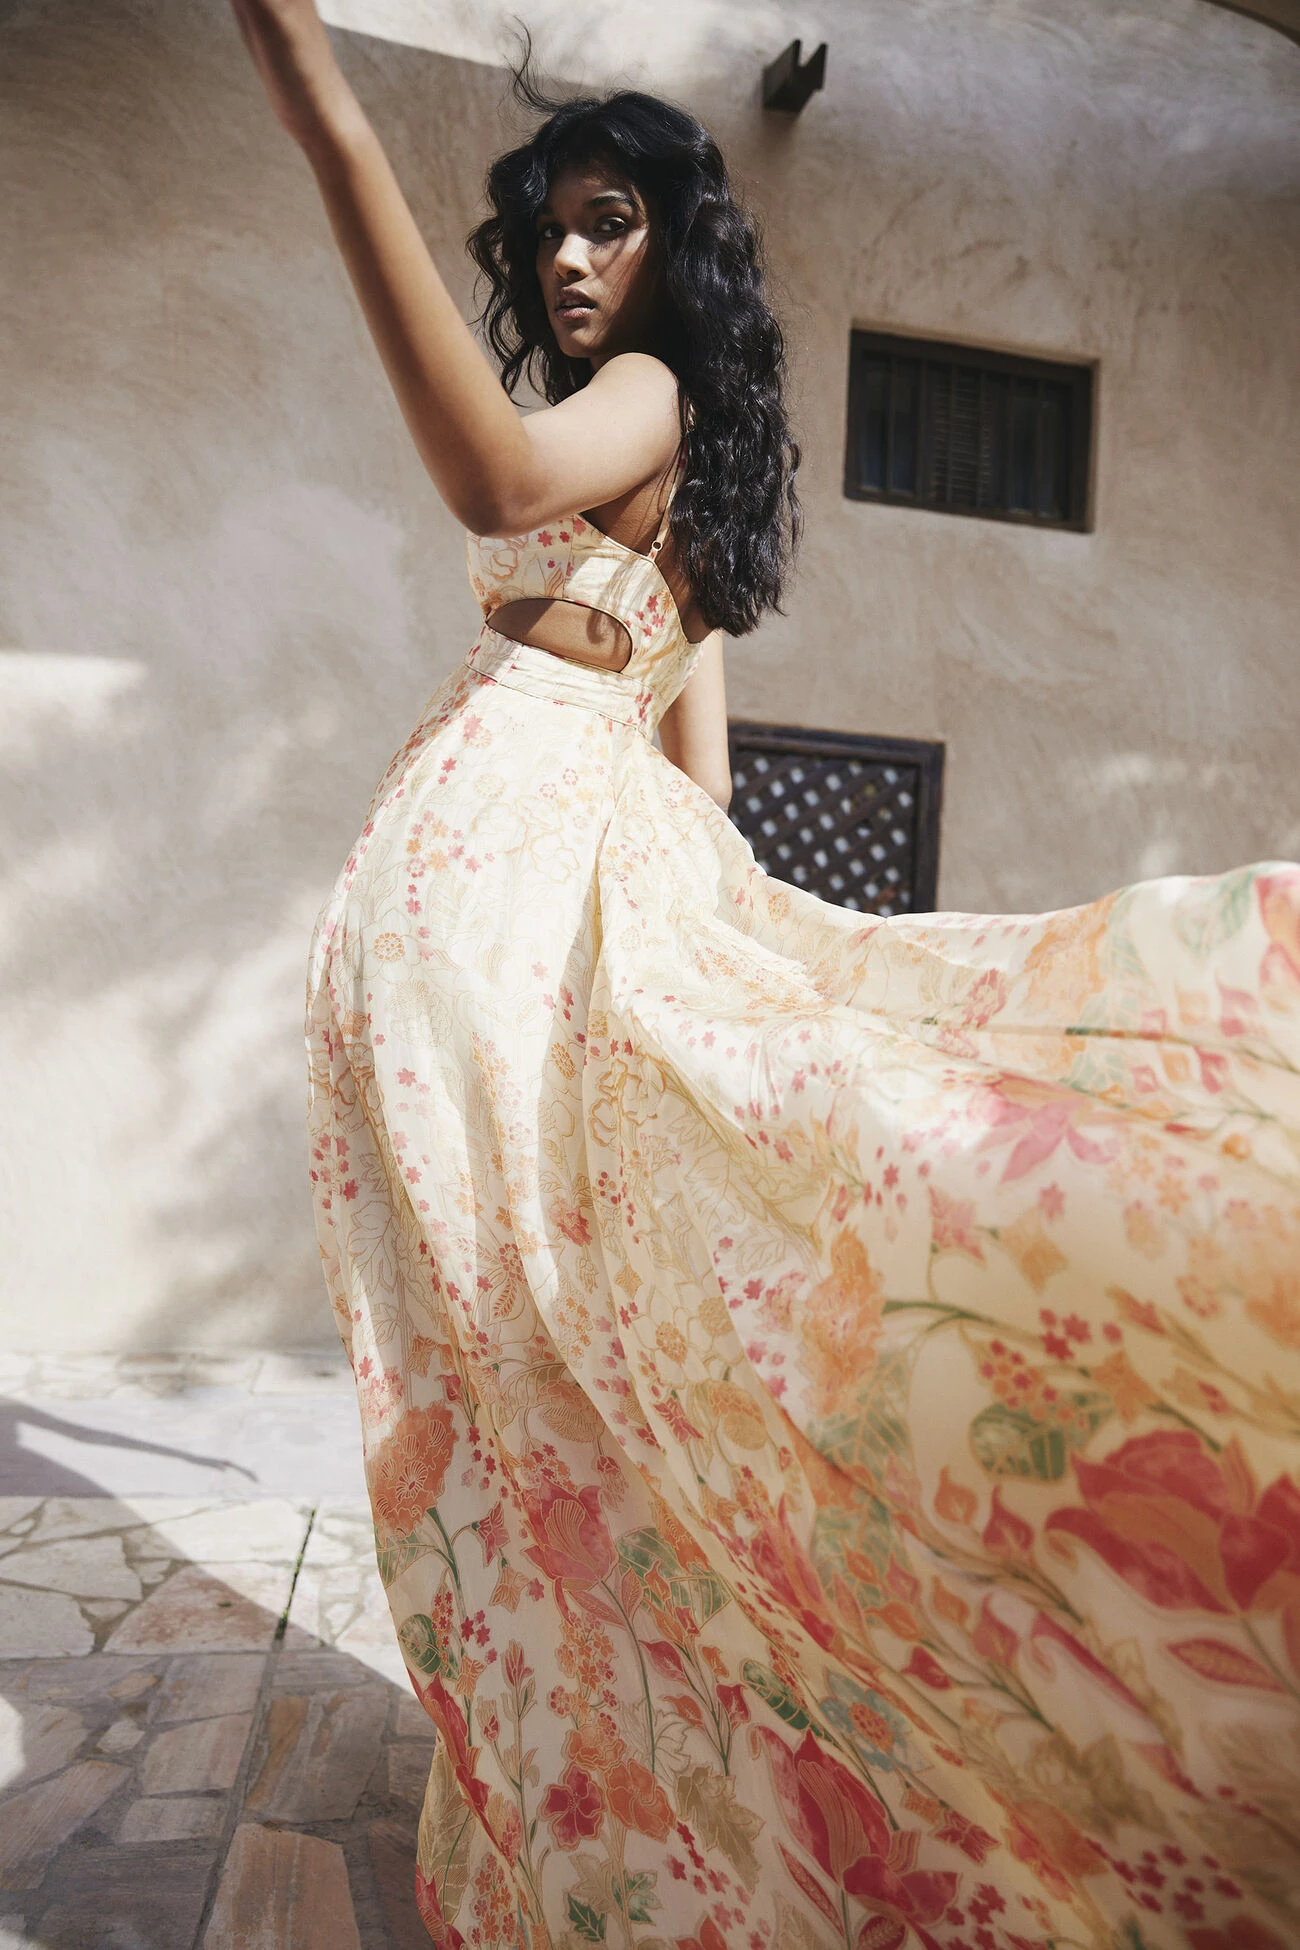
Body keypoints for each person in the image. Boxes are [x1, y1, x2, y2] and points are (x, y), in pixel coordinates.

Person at [232, 5, 1300, 1945]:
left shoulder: (643, 397)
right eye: (549, 226)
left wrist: (329, 122)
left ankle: (611, 1786)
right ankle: (620, 1772)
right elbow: (699, 785)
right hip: (507, 917)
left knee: (519, 1378)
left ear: (677, 252)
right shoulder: (687, 469)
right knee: (548, 1377)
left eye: (610, 219)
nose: (568, 256)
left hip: (499, 916)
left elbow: (491, 478)